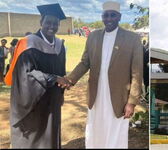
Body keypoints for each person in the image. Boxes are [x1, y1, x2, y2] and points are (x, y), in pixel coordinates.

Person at [64, 1, 143, 148]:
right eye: (106, 15)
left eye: (113, 15)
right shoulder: (93, 37)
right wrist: (70, 79)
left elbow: (137, 73)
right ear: (102, 17)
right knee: (95, 129)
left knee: (115, 131)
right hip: (97, 94)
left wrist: (131, 102)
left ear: (119, 17)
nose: (109, 19)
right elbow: (85, 62)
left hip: (119, 96)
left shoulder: (133, 39)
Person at [4, 3, 70, 148]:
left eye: (55, 23)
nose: (51, 26)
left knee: (51, 132)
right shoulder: (28, 44)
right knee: (35, 135)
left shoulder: (60, 45)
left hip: (53, 98)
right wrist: (53, 79)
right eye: (48, 22)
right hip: (34, 100)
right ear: (41, 22)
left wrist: (61, 93)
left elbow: (62, 72)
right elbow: (25, 74)